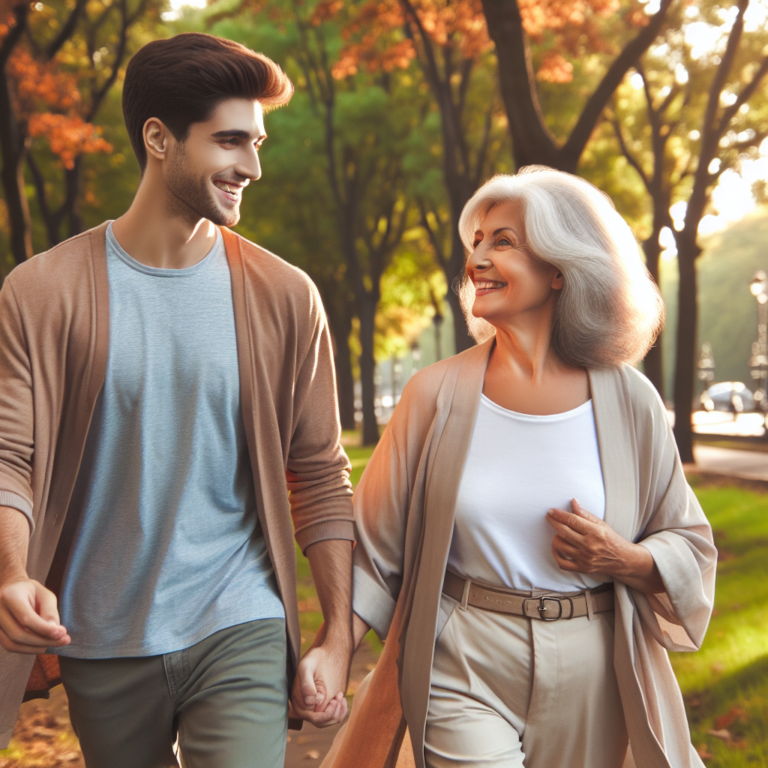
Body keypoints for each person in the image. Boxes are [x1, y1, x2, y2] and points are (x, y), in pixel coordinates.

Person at [0, 32, 354, 768]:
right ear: (158, 139)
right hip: (102, 633)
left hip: (240, 615)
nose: (251, 166)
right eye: (230, 142)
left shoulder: (285, 297)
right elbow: (11, 458)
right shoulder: (39, 293)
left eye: (256, 141)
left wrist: (337, 633)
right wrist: (11, 573)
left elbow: (318, 472)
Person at [345, 167, 717, 768]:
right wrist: (331, 651)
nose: (477, 260)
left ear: (559, 270)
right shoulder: (432, 394)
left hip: (597, 657)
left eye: (504, 242)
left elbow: (689, 542)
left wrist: (624, 559)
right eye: (477, 242)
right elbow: (372, 546)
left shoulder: (629, 399)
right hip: (463, 652)